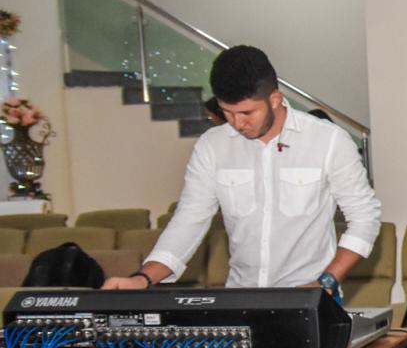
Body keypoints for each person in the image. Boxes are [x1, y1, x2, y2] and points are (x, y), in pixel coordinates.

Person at [104, 45, 380, 294]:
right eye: (227, 112)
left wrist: (327, 281)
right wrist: (143, 278)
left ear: (274, 99)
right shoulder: (212, 146)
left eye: (247, 113)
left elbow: (365, 218)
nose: (237, 123)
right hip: (241, 295)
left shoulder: (328, 140)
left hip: (311, 296)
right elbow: (189, 219)